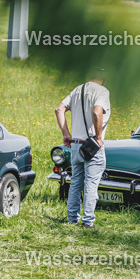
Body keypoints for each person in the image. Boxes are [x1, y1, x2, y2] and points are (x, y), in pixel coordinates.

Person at [55, 70, 111, 228]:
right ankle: (88, 221)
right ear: (104, 76)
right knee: (91, 183)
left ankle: (72, 218)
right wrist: (99, 137)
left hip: (75, 144)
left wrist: (66, 134)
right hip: (92, 145)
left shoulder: (77, 90)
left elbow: (59, 110)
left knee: (75, 182)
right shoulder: (102, 91)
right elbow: (96, 111)